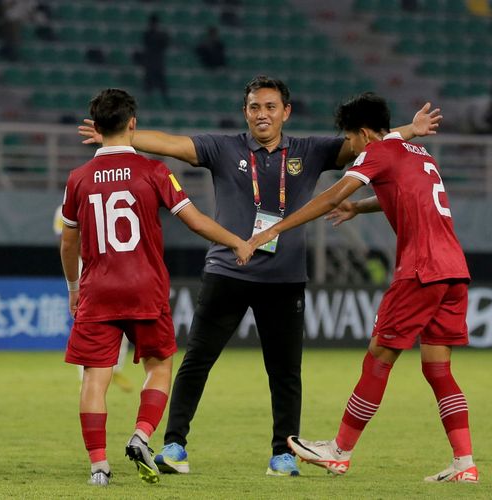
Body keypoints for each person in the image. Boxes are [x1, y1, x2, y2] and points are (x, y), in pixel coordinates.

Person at [78, 75, 442, 477]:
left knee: (285, 370)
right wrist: (116, 137)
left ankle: (283, 453)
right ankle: (174, 445)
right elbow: (172, 143)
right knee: (197, 361)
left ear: (286, 112)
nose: (262, 114)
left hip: (284, 277)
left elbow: (366, 141)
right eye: (254, 107)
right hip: (227, 269)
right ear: (245, 112)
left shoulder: (310, 150)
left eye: (270, 107)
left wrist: (408, 130)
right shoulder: (223, 147)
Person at [249, 92, 477, 483]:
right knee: (438, 369)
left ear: (365, 134)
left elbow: (333, 195)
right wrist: (361, 208)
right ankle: (465, 463)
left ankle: (339, 450)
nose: (350, 148)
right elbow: (403, 193)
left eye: (350, 139)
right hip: (453, 269)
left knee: (378, 358)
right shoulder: (420, 154)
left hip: (420, 270)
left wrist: (278, 227)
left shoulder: (376, 153)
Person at [61, 88, 253, 487]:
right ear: (133, 123)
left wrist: (73, 286)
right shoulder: (153, 171)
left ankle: (99, 466)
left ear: (95, 128)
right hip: (145, 288)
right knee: (160, 365)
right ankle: (142, 434)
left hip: (97, 289)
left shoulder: (78, 179)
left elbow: (68, 241)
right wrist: (236, 241)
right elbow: (195, 220)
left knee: (95, 378)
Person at [53, 205, 134, 393]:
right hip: (84, 263)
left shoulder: (101, 202)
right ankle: (85, 376)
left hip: (107, 262)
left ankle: (115, 369)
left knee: (122, 317)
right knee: (86, 321)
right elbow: (64, 241)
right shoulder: (63, 210)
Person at [141, 13, 170, 105]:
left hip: (157, 62)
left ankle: (165, 101)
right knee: (149, 84)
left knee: (161, 84)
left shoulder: (160, 35)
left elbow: (165, 44)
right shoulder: (148, 34)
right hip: (150, 63)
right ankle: (148, 101)